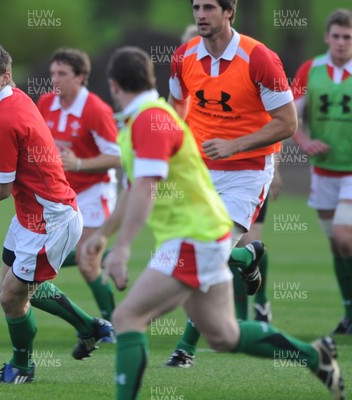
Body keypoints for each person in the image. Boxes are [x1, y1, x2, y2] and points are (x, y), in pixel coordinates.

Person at [82, 45, 343, 400]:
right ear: (151, 79)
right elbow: (134, 185)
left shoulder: (148, 120)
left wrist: (122, 247)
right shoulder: (143, 119)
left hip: (194, 238)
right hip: (197, 235)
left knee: (128, 317)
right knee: (224, 336)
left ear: (112, 85)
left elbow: (146, 186)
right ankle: (316, 356)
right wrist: (103, 237)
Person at [0, 42, 113, 384]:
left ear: (6, 76)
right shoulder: (13, 100)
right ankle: (89, 327)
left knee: (11, 297)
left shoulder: (4, 118)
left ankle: (21, 367)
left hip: (52, 220)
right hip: (30, 217)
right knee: (16, 287)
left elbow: (1, 189)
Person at [165, 0, 298, 367]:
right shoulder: (183, 56)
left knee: (205, 254)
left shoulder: (260, 59)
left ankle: (184, 349)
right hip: (199, 172)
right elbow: (176, 107)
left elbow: (287, 123)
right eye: (196, 7)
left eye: (209, 7)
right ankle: (247, 256)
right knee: (184, 256)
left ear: (229, 12)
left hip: (248, 171)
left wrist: (233, 145)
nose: (201, 14)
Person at [37, 48, 122, 321]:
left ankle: (111, 323)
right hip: (60, 191)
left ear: (81, 77)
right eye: (52, 73)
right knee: (40, 256)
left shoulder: (96, 109)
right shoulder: (45, 103)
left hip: (95, 189)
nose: (55, 80)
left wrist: (80, 164)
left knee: (86, 261)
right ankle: (104, 254)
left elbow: (118, 157)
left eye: (63, 74)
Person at [292, 9, 352, 334]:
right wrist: (304, 140)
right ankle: (348, 313)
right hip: (324, 172)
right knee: (336, 244)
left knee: (345, 236)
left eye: (348, 37)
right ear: (327, 37)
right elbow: (290, 117)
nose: (342, 43)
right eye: (337, 36)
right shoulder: (309, 70)